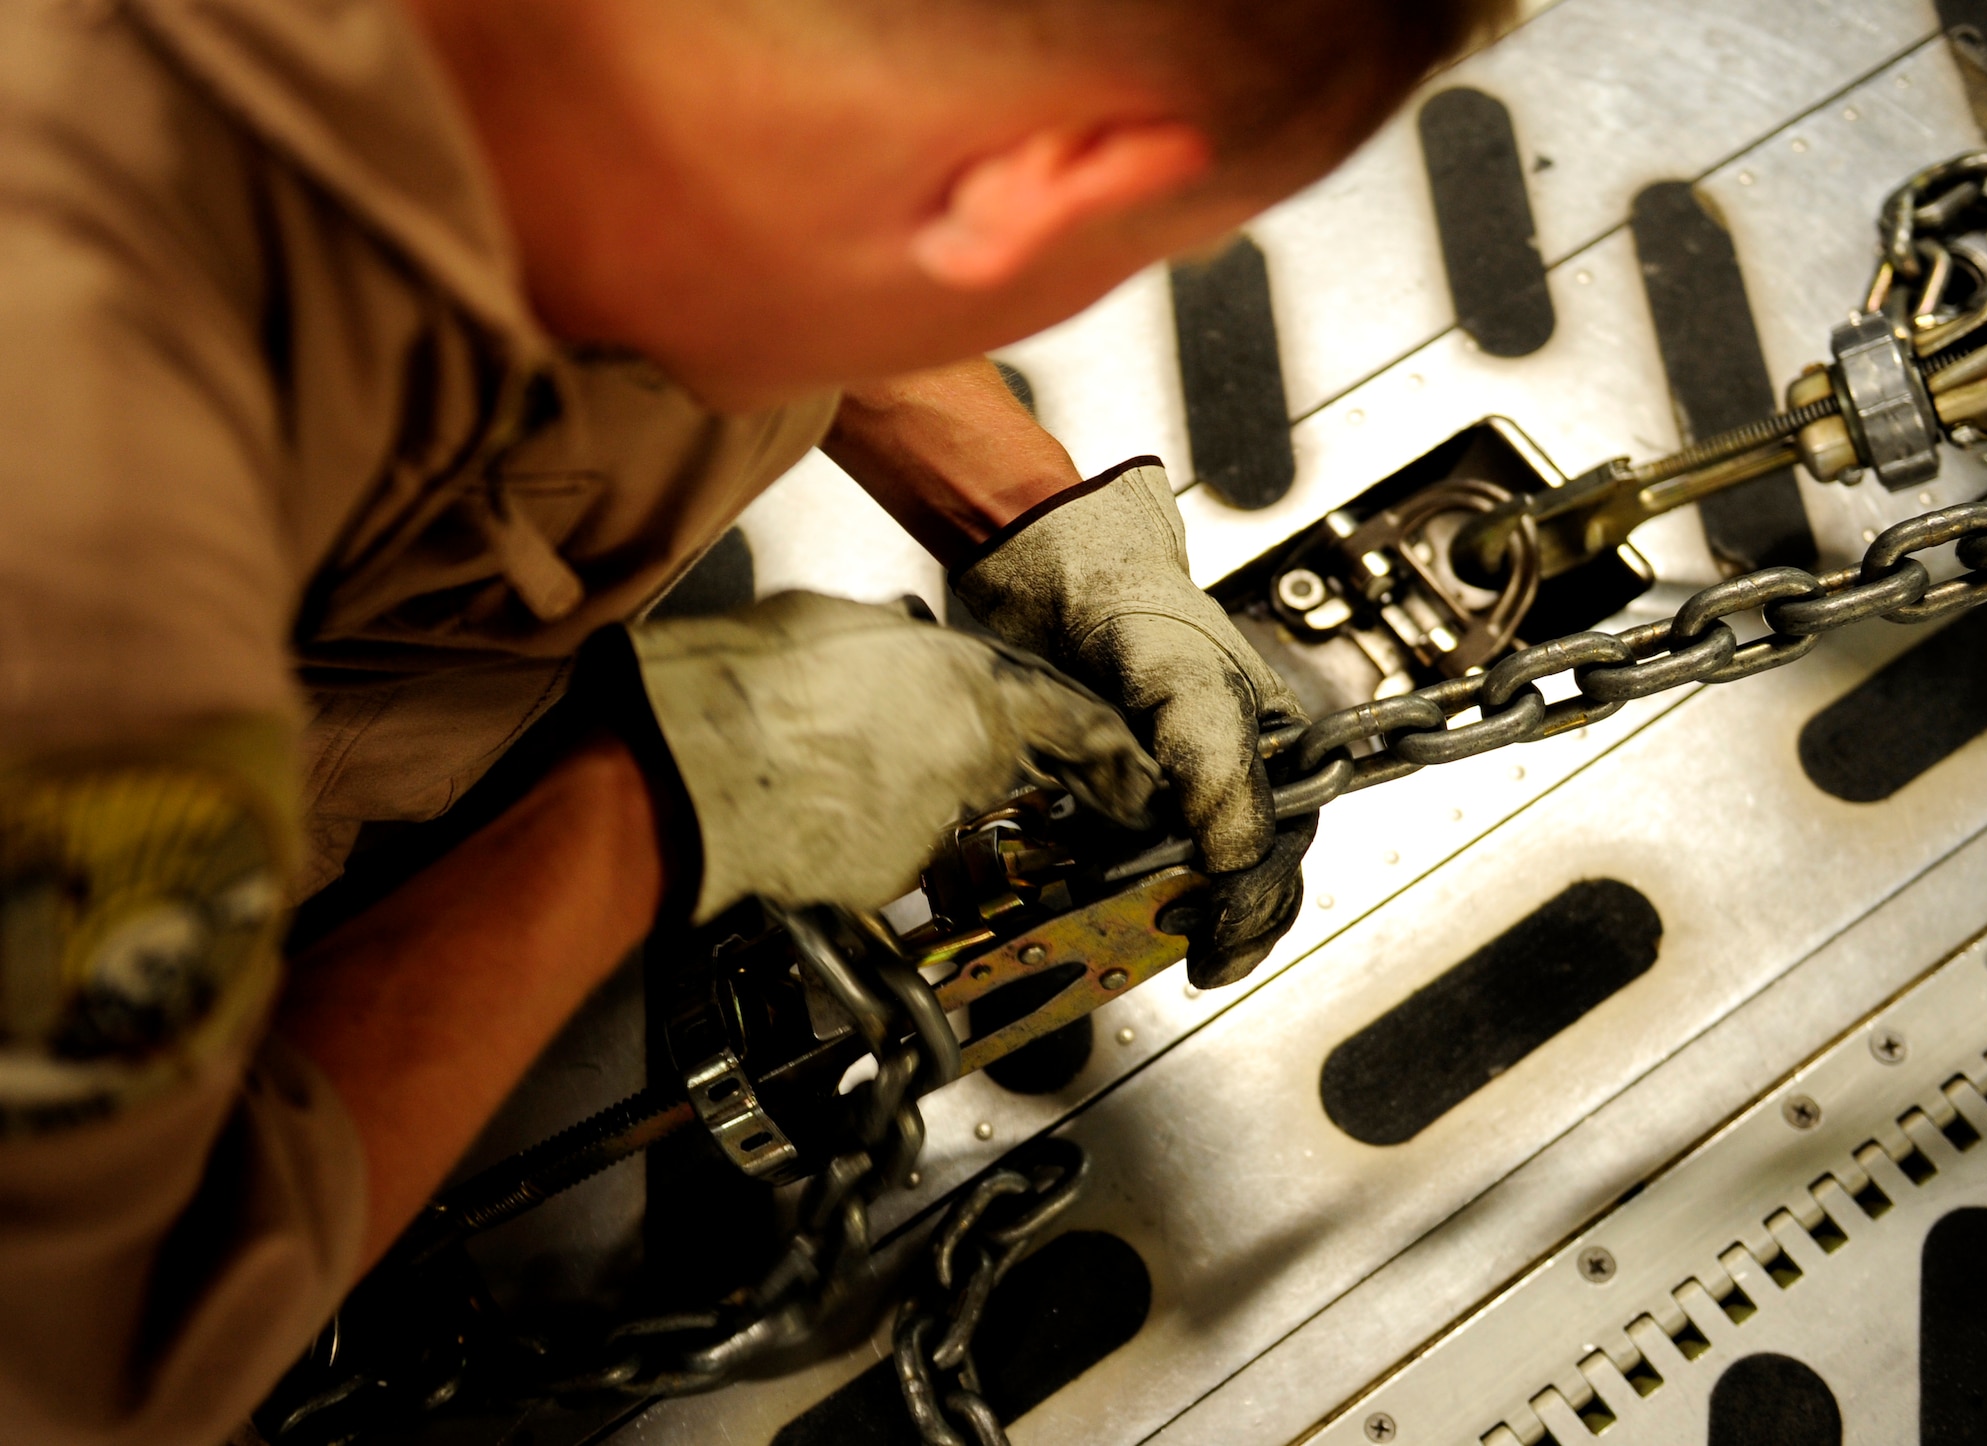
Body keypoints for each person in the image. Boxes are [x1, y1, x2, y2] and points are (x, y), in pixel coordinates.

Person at [0, 0, 1513, 1441]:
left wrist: (1033, 514)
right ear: (1036, 194)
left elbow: (798, 135)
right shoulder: (88, 519)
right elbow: (82, 1350)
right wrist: (646, 806)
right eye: (1136, 241)